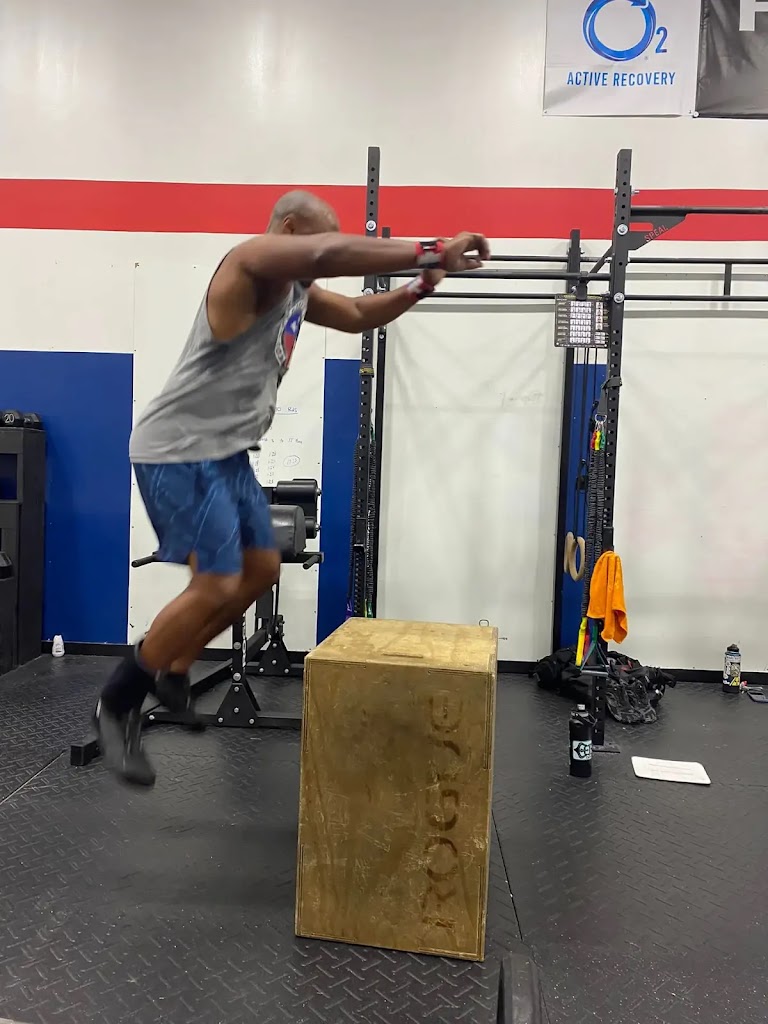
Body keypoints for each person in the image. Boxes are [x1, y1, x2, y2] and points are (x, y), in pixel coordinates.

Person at [94, 190, 490, 786]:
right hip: (178, 449)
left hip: (225, 453)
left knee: (260, 570)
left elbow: (357, 313)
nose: (316, 260)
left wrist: (421, 284)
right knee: (216, 582)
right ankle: (118, 700)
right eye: (310, 243)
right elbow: (328, 253)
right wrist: (431, 248)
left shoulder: (296, 293)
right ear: (286, 230)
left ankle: (173, 669)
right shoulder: (249, 263)